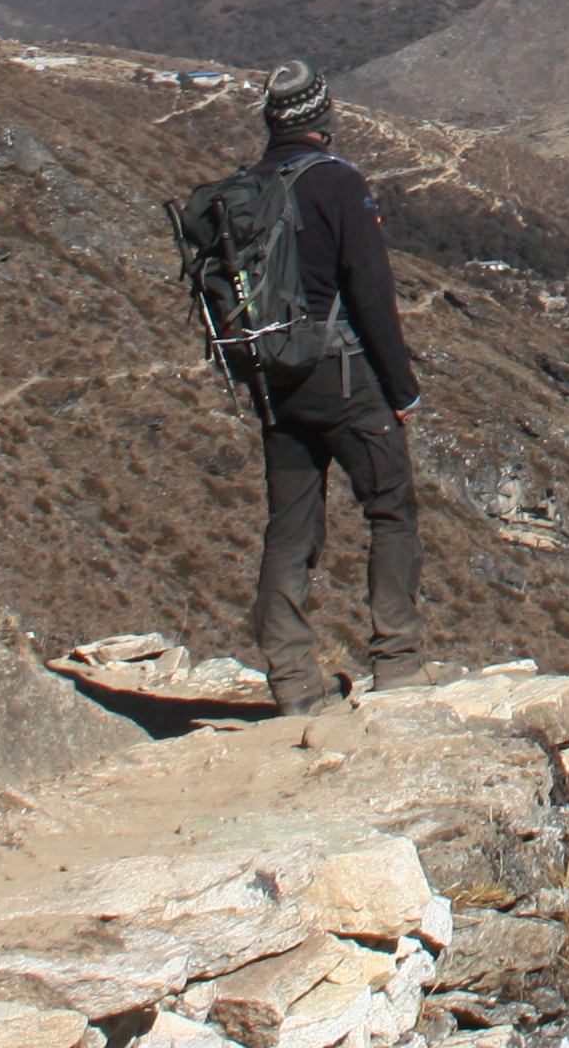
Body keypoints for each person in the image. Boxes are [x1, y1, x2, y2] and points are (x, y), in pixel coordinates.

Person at [237, 61, 454, 713]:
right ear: (324, 120)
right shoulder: (338, 184)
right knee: (390, 508)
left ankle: (294, 680)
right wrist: (402, 387)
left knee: (291, 525)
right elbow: (370, 290)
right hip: (343, 376)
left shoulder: (250, 189)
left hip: (276, 381)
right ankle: (397, 660)